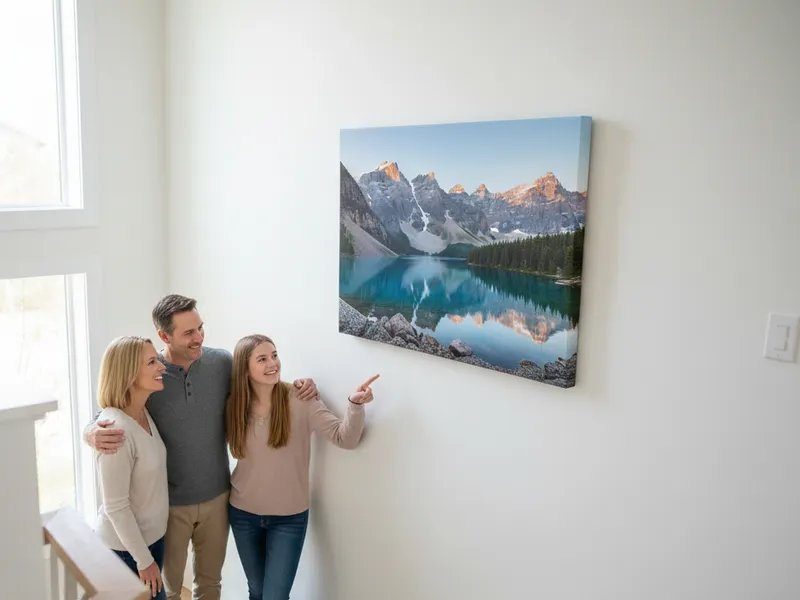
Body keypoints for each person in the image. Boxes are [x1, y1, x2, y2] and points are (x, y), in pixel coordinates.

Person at [84, 295, 319, 600]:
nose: (199, 337)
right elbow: (115, 408)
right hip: (171, 505)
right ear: (164, 336)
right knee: (169, 589)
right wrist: (90, 431)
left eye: (200, 328)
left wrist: (300, 385)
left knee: (209, 585)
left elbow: (259, 378)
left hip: (218, 498)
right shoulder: (151, 375)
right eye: (188, 333)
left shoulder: (222, 363)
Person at [225, 334, 379, 600]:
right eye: (262, 359)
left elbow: (345, 438)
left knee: (275, 596)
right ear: (244, 368)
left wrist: (354, 405)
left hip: (289, 519)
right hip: (242, 514)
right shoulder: (234, 405)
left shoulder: (300, 398)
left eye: (274, 355)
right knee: (257, 591)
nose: (273, 363)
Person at [94, 336, 169, 599]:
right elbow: (115, 507)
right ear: (128, 373)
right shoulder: (115, 429)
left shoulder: (142, 411)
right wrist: (144, 560)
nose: (161, 366)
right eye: (152, 362)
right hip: (127, 551)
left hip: (151, 542)